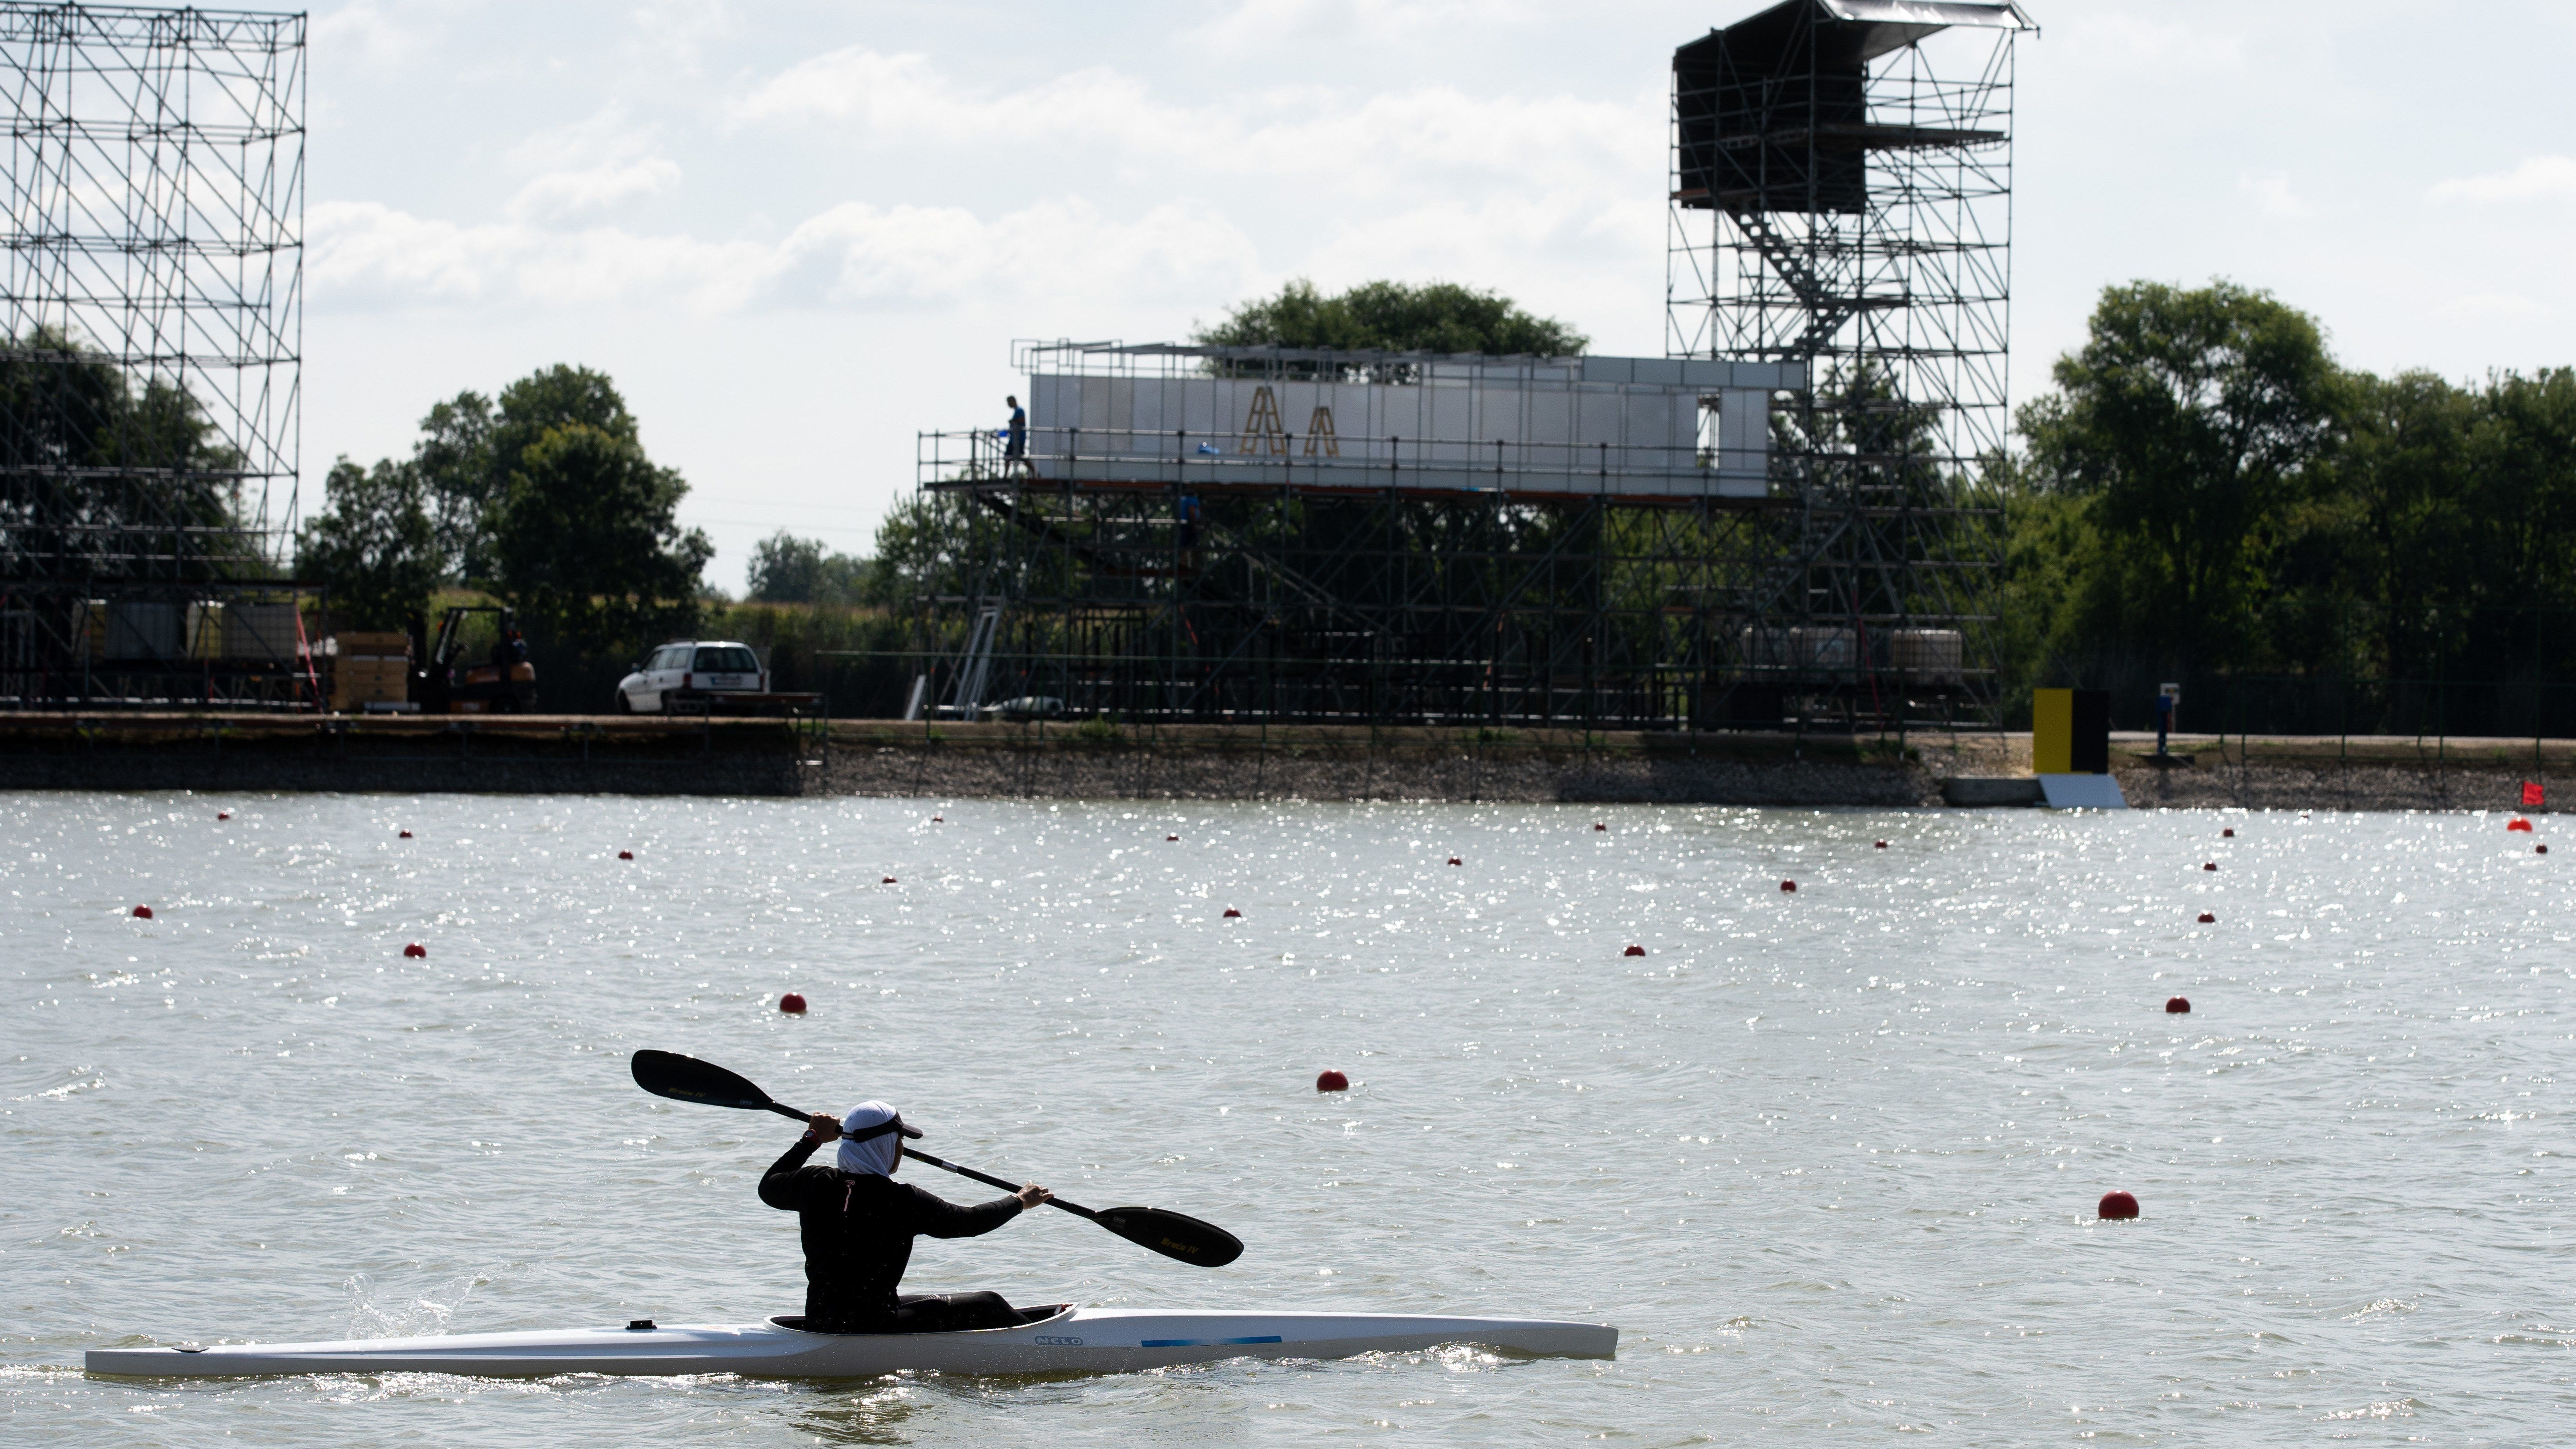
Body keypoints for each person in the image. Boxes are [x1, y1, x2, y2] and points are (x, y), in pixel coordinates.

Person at [759, 1100, 1051, 1334]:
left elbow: (768, 1185)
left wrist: (811, 1139)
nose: (901, 1148)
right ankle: (1048, 1342)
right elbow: (970, 1222)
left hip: (821, 1319)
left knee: (929, 1300)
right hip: (874, 1326)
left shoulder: (814, 1182)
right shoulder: (903, 1200)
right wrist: (1019, 1201)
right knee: (989, 1304)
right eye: (899, 1140)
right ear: (886, 1145)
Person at [1003, 394, 1029, 475]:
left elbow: (1022, 420)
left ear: (1013, 401)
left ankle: (1005, 476)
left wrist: (1013, 421)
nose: (1008, 404)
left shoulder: (1020, 410)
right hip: (1014, 439)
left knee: (1009, 457)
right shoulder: (1017, 411)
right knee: (1019, 457)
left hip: (1018, 439)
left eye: (1009, 402)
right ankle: (1035, 472)